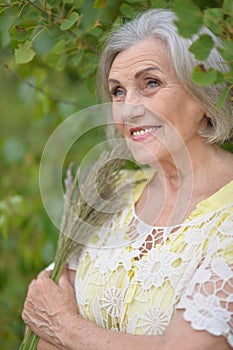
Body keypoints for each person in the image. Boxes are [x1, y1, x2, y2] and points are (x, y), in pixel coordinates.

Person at [22, 8, 233, 350]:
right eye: (118, 91)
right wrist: (56, 326)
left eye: (150, 83)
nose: (128, 109)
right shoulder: (110, 194)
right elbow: (42, 313)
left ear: (204, 94)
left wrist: (65, 327)